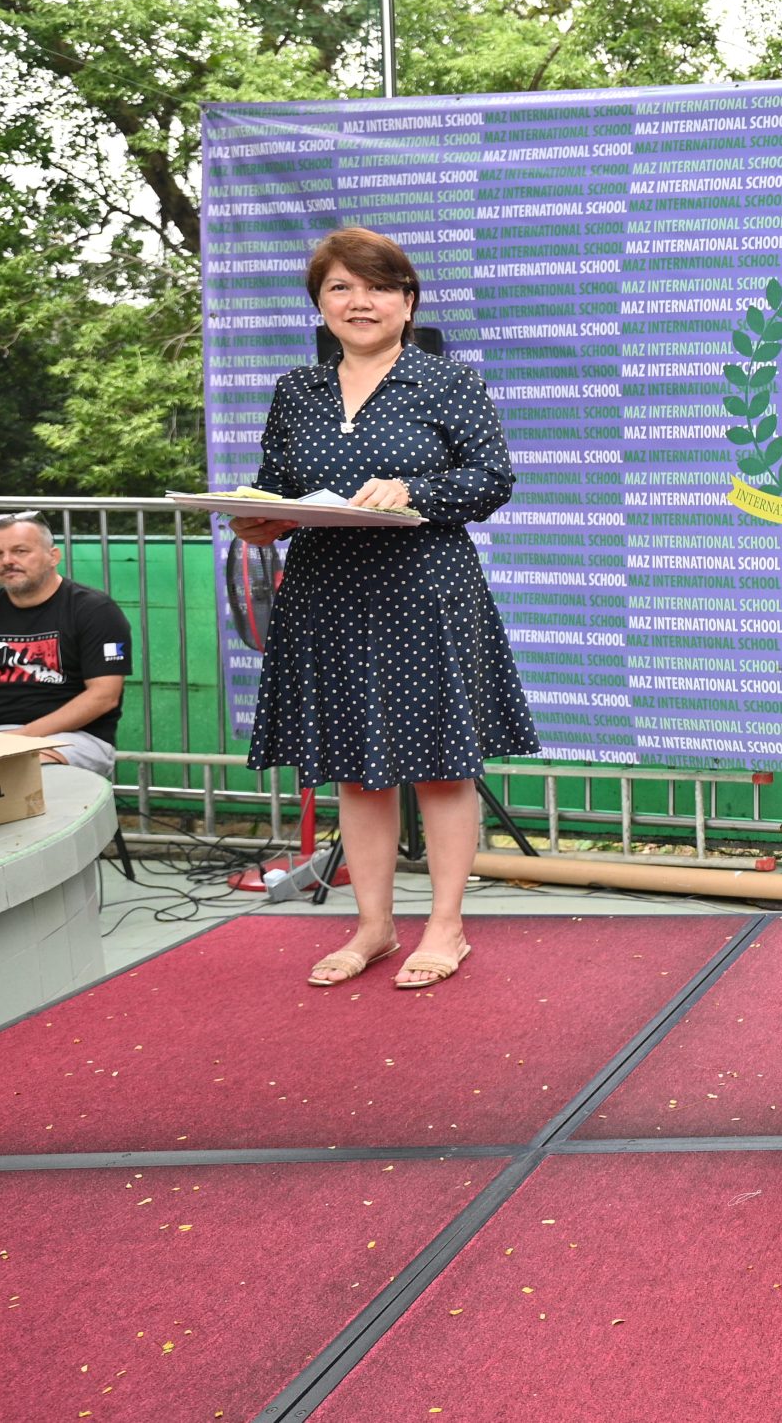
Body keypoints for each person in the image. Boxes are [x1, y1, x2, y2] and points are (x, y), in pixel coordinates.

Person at [232, 227, 536, 991]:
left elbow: (493, 478)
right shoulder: (296, 391)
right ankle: (373, 925)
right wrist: (260, 520)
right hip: (326, 593)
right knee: (354, 769)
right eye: (340, 287)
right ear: (320, 304)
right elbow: (277, 486)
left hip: (424, 592)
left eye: (377, 287)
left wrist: (415, 489)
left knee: (440, 766)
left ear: (407, 302)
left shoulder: (446, 382)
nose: (358, 301)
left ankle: (446, 925)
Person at [0, 514, 133, 777]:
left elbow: (103, 696)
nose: (7, 561)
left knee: (22, 771)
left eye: (20, 551)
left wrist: (19, 739)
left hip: (76, 737)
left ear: (53, 556)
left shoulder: (94, 610)